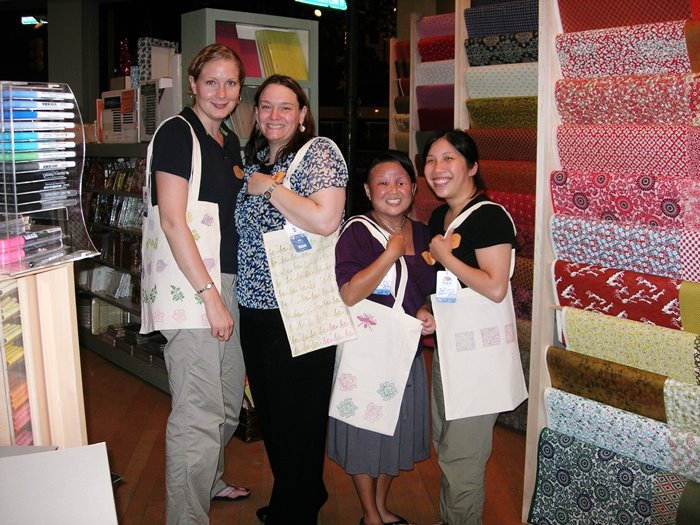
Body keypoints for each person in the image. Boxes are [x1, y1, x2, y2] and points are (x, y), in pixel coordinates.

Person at [143, 43, 250, 524]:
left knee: (226, 402)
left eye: (230, 83)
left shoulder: (228, 141)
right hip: (194, 289)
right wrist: (210, 297)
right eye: (211, 82)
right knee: (198, 411)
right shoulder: (177, 133)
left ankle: (208, 480)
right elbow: (172, 220)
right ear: (193, 84)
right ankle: (186, 516)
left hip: (225, 281)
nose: (221, 92)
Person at [235, 74, 348, 524]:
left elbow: (325, 220)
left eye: (286, 107)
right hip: (255, 307)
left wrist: (271, 188)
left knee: (299, 417)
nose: (274, 115)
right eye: (266, 106)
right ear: (256, 114)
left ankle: (298, 510)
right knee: (273, 414)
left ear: (302, 114)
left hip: (297, 308)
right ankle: (296, 494)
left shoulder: (318, 153)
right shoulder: (255, 159)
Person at [328, 150, 436, 525]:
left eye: (401, 182)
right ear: (367, 190)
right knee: (364, 429)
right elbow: (349, 293)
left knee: (396, 429)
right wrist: (390, 254)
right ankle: (370, 513)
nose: (393, 189)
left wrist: (426, 311)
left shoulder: (422, 234)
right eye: (383, 182)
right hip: (367, 351)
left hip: (405, 349)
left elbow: (425, 289)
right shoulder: (356, 231)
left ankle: (382, 505)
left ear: (413, 188)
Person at [422, 129, 518, 525]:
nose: (437, 168)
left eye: (449, 158)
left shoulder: (490, 216)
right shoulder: (439, 216)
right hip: (451, 349)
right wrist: (432, 311)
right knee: (446, 444)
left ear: (473, 167)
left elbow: (495, 287)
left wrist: (446, 255)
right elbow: (452, 288)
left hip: (480, 359)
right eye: (430, 160)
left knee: (462, 457)